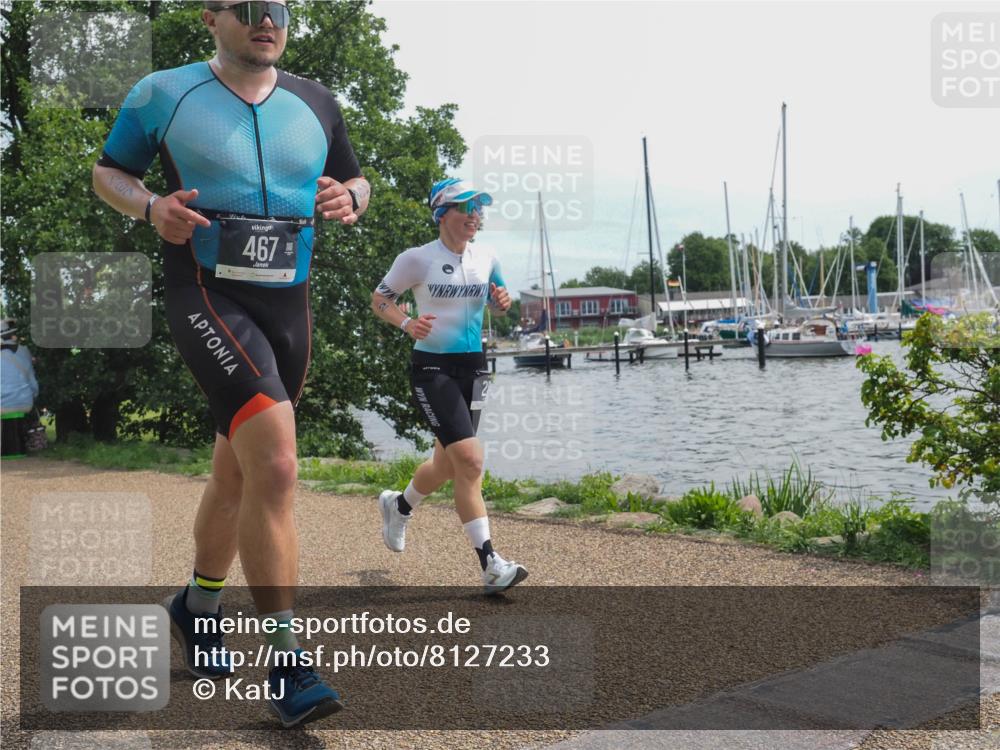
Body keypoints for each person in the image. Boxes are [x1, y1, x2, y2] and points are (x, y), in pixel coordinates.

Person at [92, 0, 369, 727]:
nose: (264, 19)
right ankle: (287, 663)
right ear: (212, 17)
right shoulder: (163, 92)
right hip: (207, 295)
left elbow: (354, 180)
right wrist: (150, 207)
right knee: (276, 464)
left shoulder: (315, 100)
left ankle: (198, 603)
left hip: (290, 305)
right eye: (246, 8)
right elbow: (108, 173)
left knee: (237, 471)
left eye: (275, 7)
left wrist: (352, 198)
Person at [370, 179, 528, 594]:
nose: (475, 217)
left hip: (474, 368)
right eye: (466, 208)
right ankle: (491, 564)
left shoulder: (488, 256)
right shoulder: (416, 259)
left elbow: (499, 297)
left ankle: (398, 504)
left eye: (479, 210)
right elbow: (380, 299)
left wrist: (502, 302)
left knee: (447, 464)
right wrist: (407, 323)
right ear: (442, 213)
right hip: (432, 369)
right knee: (471, 461)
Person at [1, 319, 39, 457]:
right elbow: (33, 383)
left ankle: (5, 449)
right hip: (25, 402)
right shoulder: (25, 351)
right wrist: (32, 396)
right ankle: (19, 447)